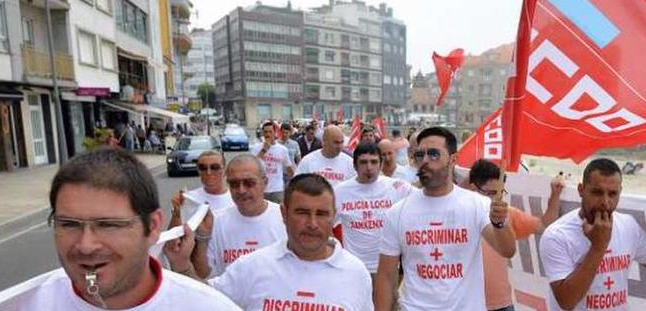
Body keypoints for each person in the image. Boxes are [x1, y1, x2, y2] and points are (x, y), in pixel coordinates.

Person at [16, 148, 239, 310]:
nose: (86, 246)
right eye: (69, 224)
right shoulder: (24, 305)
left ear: (152, 227)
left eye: (108, 225)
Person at [165, 174, 374, 310]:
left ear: (334, 216)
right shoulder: (253, 266)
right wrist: (182, 265)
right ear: (283, 213)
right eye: (302, 212)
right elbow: (206, 298)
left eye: (321, 214)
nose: (312, 223)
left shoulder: (356, 273)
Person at [375, 127, 516, 310]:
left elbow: (507, 250)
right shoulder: (397, 212)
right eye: (420, 155)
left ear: (453, 160)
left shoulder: (476, 205)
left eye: (433, 154)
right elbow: (386, 277)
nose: (425, 161)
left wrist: (499, 223)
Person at [539, 158, 646, 311]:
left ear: (620, 192)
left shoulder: (628, 226)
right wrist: (599, 247)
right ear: (581, 190)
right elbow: (566, 301)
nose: (605, 202)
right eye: (597, 192)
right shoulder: (557, 235)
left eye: (612, 194)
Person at [465, 159, 564, 311]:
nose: (496, 199)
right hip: (466, 304)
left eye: (500, 193)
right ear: (472, 188)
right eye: (491, 193)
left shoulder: (508, 213)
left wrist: (555, 194)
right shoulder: (456, 216)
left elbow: (543, 225)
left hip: (502, 305)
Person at [187, 155, 284, 278]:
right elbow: (202, 274)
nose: (241, 190)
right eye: (234, 184)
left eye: (249, 183)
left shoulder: (284, 220)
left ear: (265, 182)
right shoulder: (215, 221)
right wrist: (202, 238)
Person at [335, 142, 413, 279]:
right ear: (354, 165)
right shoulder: (340, 192)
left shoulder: (396, 187)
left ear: (381, 164)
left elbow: (427, 198)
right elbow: (324, 224)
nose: (369, 167)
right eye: (363, 162)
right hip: (354, 269)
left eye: (374, 162)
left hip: (387, 267)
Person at [168, 150, 235, 229]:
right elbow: (173, 237)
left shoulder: (236, 198)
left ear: (224, 170)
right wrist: (176, 213)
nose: (209, 172)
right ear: (198, 171)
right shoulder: (189, 199)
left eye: (215, 167)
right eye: (203, 168)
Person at [255, 120, 295, 203]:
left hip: (277, 190)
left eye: (270, 132)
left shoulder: (282, 149)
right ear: (263, 133)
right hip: (261, 189)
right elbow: (252, 165)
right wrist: (264, 150)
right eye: (265, 132)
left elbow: (289, 169)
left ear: (275, 133)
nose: (268, 134)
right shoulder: (256, 148)